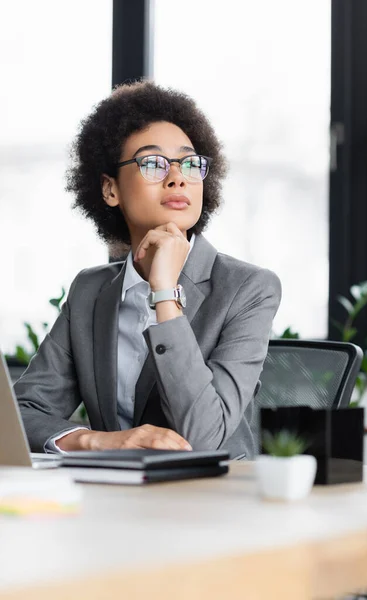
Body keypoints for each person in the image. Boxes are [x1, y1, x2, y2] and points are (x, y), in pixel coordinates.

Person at [15, 81, 281, 459]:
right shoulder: (90, 291)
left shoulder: (248, 288)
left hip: (212, 502)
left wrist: (164, 292)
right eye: (153, 163)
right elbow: (23, 413)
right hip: (113, 498)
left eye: (190, 163)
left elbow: (204, 437)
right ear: (110, 190)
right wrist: (98, 441)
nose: (178, 177)